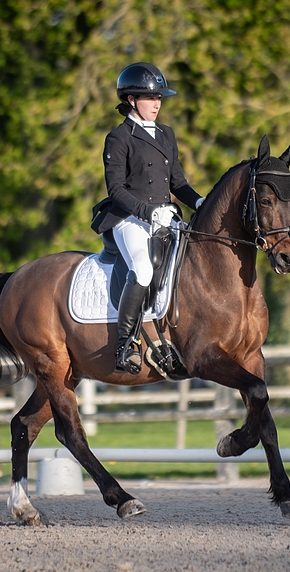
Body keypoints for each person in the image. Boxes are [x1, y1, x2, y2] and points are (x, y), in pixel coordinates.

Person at [91, 62, 205, 374]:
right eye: (149, 98)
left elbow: (177, 184)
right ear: (131, 100)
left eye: (159, 99)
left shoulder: (166, 134)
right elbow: (115, 189)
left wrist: (201, 202)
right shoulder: (118, 138)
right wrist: (147, 212)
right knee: (142, 268)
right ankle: (126, 342)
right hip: (130, 219)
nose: (157, 104)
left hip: (165, 217)